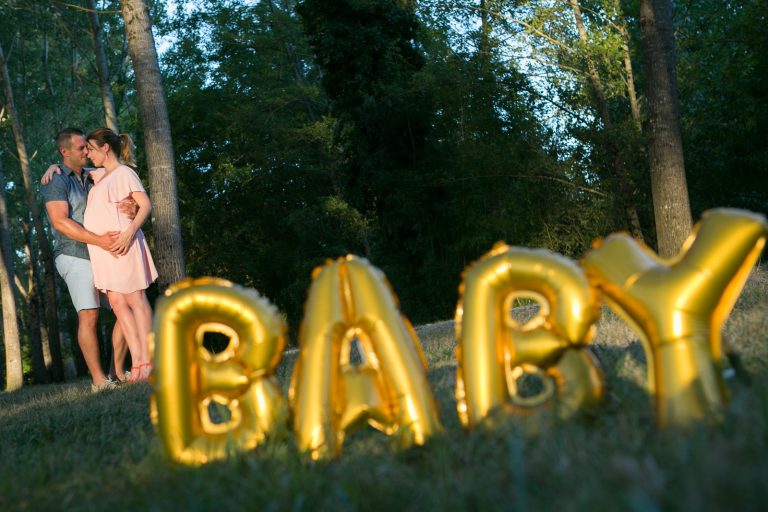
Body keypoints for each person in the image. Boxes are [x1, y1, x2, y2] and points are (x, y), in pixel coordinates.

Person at [41, 128, 129, 391]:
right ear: (64, 152)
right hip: (73, 254)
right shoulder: (56, 180)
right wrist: (101, 240)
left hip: (100, 254)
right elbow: (60, 222)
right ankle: (99, 381)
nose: (86, 152)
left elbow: (123, 178)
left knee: (126, 307)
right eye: (81, 148)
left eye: (87, 148)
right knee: (88, 316)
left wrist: (133, 205)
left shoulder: (93, 175)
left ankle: (117, 372)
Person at [83, 127, 158, 382]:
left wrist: (129, 233)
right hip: (103, 252)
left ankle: (148, 360)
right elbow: (73, 170)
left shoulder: (125, 173)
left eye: (91, 149)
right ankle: (136, 361)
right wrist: (53, 168)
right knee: (118, 304)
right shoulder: (98, 175)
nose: (87, 154)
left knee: (136, 299)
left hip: (123, 243)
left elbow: (145, 205)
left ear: (105, 148)